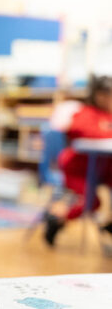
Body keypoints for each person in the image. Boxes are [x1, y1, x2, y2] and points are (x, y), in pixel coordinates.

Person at [45, 76, 112, 246]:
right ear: (95, 95)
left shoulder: (108, 115)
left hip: (103, 168)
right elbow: (79, 130)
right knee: (93, 202)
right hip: (77, 168)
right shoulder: (84, 112)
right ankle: (56, 219)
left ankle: (109, 225)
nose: (107, 98)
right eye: (103, 94)